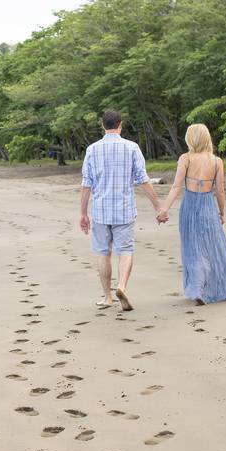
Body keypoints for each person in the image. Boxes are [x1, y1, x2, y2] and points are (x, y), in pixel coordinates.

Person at [79, 110, 166, 311]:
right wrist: (158, 206)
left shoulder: (92, 149)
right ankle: (122, 286)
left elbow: (86, 184)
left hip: (101, 210)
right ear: (120, 125)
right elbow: (143, 180)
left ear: (103, 125)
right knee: (125, 250)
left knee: (103, 253)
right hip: (124, 209)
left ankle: (107, 297)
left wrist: (83, 213)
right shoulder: (131, 147)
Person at [156, 124, 226, 304]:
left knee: (193, 248)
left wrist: (164, 209)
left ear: (190, 139)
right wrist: (222, 212)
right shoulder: (217, 161)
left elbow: (176, 187)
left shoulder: (186, 159)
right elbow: (221, 191)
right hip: (208, 205)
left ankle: (197, 288)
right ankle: (204, 286)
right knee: (209, 247)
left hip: (190, 205)